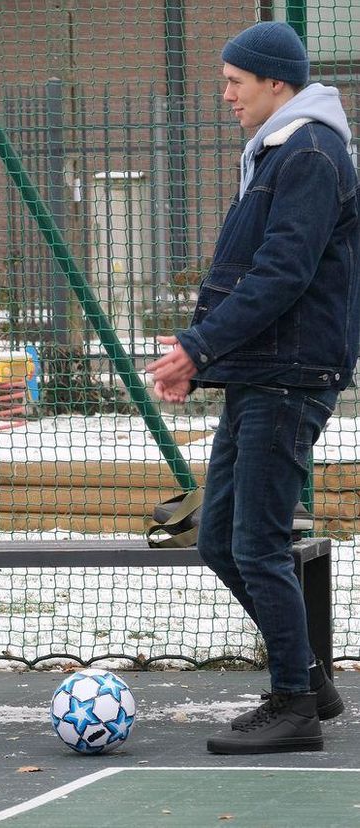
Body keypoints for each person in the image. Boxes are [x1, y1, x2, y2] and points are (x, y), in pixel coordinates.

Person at [147, 21, 357, 754]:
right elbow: (256, 274)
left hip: (289, 377)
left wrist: (198, 346)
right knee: (220, 541)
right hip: (261, 375)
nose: (226, 94)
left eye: (236, 81)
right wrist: (202, 358)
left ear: (277, 81)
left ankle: (295, 704)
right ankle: (310, 679)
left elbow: (282, 274)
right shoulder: (280, 150)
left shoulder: (309, 151)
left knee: (259, 542)